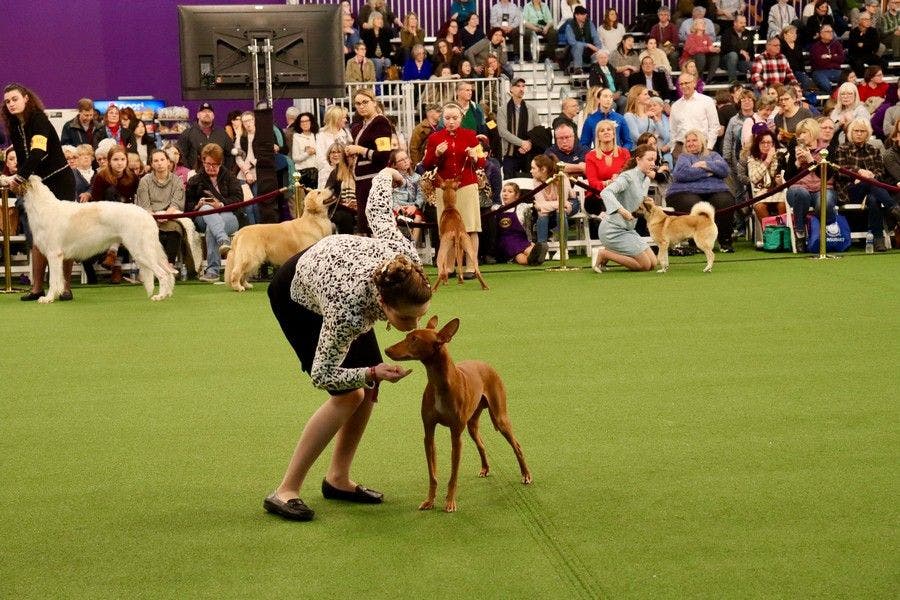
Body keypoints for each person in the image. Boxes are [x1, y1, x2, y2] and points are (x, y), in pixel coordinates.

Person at [263, 168, 429, 522]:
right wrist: (370, 370)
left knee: (368, 389)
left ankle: (337, 479)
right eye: (405, 321)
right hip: (297, 295)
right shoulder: (348, 310)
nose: (411, 327)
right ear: (383, 306)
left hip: (341, 273)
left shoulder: (406, 263)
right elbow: (324, 375)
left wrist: (387, 175)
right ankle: (285, 490)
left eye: (419, 316)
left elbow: (377, 212)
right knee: (349, 394)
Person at [2, 83, 77, 301]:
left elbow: (38, 152)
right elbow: (25, 159)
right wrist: (22, 181)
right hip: (35, 185)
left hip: (59, 181)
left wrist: (19, 177)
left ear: (26, 98)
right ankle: (37, 288)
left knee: (63, 235)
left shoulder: (39, 119)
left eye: (14, 99)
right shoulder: (15, 126)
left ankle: (64, 288)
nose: (11, 104)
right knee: (38, 236)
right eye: (7, 101)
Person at [422, 102, 486, 279]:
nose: (451, 121)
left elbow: (482, 163)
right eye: (447, 118)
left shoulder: (471, 136)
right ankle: (448, 267)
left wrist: (475, 156)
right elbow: (426, 164)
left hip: (466, 185)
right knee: (447, 230)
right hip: (443, 188)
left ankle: (472, 266)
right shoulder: (434, 138)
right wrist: (436, 154)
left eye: (455, 118)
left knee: (471, 227)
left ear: (461, 118)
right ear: (443, 119)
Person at [593, 144, 660, 272]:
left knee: (653, 263)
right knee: (645, 265)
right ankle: (604, 254)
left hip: (628, 229)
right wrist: (621, 210)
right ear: (638, 160)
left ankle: (608, 252)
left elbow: (637, 201)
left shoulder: (646, 180)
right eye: (650, 159)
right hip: (612, 230)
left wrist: (647, 202)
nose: (653, 163)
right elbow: (606, 192)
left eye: (654, 160)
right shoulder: (627, 177)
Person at [666, 130, 736, 252]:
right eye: (688, 141)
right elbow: (682, 174)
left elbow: (724, 169)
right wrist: (709, 171)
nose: (690, 143)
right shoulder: (684, 157)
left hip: (715, 189)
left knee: (725, 201)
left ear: (702, 142)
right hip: (685, 191)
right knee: (692, 203)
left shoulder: (713, 155)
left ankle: (725, 241)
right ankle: (694, 242)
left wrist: (704, 164)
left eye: (694, 140)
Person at [835, 118, 898, 251]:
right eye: (856, 131)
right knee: (868, 183)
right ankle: (894, 209)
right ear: (850, 133)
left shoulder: (873, 150)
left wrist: (871, 175)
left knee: (873, 198)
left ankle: (878, 240)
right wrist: (858, 173)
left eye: (862, 131)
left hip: (872, 190)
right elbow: (839, 172)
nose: (859, 133)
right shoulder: (842, 148)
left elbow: (881, 173)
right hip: (850, 191)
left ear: (867, 133)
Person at [185, 143, 243, 282]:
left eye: (215, 164)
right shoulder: (195, 180)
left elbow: (238, 199)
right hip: (202, 218)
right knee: (206, 209)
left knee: (213, 228)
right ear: (203, 161)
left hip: (229, 216)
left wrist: (220, 204)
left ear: (221, 162)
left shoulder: (230, 177)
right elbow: (187, 206)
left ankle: (213, 272)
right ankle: (223, 239)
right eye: (208, 164)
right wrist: (197, 205)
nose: (211, 167)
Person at [89, 145, 140, 283]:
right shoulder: (101, 177)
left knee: (123, 223)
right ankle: (115, 263)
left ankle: (113, 254)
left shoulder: (133, 178)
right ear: (109, 161)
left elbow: (137, 199)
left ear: (127, 161)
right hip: (104, 216)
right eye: (116, 159)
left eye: (123, 159)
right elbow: (95, 202)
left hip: (128, 217)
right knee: (112, 193)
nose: (119, 162)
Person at [347, 88, 393, 235]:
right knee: (363, 222)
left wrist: (359, 150)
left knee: (373, 222)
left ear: (374, 103)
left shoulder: (380, 123)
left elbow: (383, 156)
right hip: (362, 181)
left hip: (373, 180)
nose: (361, 106)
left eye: (365, 102)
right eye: (357, 103)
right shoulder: (361, 124)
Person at [784, 118, 835, 243]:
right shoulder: (794, 149)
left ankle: (821, 232)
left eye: (804, 133)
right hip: (799, 188)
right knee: (801, 194)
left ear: (813, 132)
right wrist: (796, 163)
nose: (800, 136)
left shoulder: (827, 150)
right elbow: (788, 178)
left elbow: (827, 176)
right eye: (799, 133)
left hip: (822, 187)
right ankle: (800, 233)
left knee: (825, 202)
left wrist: (811, 160)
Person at [135, 148, 185, 266]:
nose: (160, 163)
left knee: (175, 230)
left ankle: (169, 264)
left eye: (162, 160)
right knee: (154, 231)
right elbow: (145, 206)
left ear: (168, 162)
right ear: (152, 164)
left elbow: (176, 203)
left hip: (171, 216)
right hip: (150, 217)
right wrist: (156, 216)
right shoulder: (144, 181)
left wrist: (166, 215)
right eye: (156, 161)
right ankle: (155, 266)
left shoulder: (177, 181)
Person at [585, 120, 631, 238]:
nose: (606, 132)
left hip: (619, 193)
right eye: (602, 130)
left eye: (609, 129)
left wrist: (618, 180)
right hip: (596, 196)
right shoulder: (591, 156)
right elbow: (592, 182)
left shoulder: (624, 153)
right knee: (598, 203)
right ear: (598, 136)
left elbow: (629, 176)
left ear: (614, 134)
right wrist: (607, 183)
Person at [530, 153, 579, 249]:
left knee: (560, 211)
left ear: (543, 169)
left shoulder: (561, 177)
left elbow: (563, 202)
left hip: (571, 202)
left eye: (533, 168)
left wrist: (542, 206)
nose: (531, 171)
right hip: (560, 205)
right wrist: (542, 206)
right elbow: (543, 204)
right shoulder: (536, 180)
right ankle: (542, 248)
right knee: (542, 213)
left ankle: (563, 249)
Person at [745, 130, 788, 234]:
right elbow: (754, 178)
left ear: (773, 144)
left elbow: (789, 174)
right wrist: (768, 160)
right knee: (759, 206)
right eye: (762, 142)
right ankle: (771, 235)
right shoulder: (752, 159)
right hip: (761, 192)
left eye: (769, 142)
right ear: (758, 144)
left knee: (783, 204)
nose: (766, 145)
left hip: (779, 191)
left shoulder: (782, 155)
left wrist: (781, 182)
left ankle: (783, 234)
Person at [670, 73, 720, 160]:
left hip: (703, 147)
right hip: (681, 148)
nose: (684, 86)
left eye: (687, 83)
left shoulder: (707, 101)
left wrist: (709, 147)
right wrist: (672, 149)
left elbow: (714, 126)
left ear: (694, 83)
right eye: (681, 84)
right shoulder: (675, 106)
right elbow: (672, 130)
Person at [495, 181, 546, 265]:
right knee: (518, 255)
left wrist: (530, 241)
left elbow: (528, 226)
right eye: (504, 191)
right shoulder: (496, 209)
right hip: (506, 241)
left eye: (510, 192)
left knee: (530, 249)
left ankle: (537, 256)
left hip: (521, 238)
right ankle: (530, 261)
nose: (505, 194)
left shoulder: (523, 207)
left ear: (517, 196)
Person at [497, 78, 539, 178]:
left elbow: (538, 131)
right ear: (511, 89)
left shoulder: (531, 109)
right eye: (518, 86)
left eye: (523, 86)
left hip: (528, 153)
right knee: (509, 183)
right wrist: (522, 143)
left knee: (530, 186)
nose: (521, 89)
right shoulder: (503, 110)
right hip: (510, 153)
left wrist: (528, 143)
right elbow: (503, 132)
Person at [176, 102, 234, 172]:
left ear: (213, 116)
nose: (207, 114)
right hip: (196, 177)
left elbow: (230, 154)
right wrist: (189, 172)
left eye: (209, 112)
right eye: (203, 112)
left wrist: (225, 171)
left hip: (219, 177)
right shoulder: (187, 133)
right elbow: (180, 156)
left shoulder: (222, 133)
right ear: (198, 115)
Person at [388, 149, 424, 245]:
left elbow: (421, 195)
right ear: (395, 165)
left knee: (418, 217)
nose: (405, 161)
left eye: (406, 158)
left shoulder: (417, 177)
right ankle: (397, 245)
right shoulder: (392, 178)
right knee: (392, 217)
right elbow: (391, 196)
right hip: (398, 207)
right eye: (401, 160)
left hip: (412, 207)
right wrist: (398, 208)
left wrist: (415, 206)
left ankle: (412, 246)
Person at [324, 143, 359, 235]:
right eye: (349, 156)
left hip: (358, 207)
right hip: (339, 208)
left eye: (354, 156)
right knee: (346, 216)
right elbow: (328, 194)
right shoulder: (335, 172)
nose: (352, 159)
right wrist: (343, 202)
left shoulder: (358, 172)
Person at [561, 6, 602, 75]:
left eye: (585, 14)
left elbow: (595, 37)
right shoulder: (569, 25)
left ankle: (597, 70)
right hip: (573, 52)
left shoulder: (589, 23)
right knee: (578, 45)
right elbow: (572, 42)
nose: (585, 16)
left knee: (599, 50)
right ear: (576, 15)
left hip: (588, 51)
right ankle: (578, 69)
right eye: (582, 14)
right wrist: (588, 45)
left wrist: (598, 49)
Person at [809, 25, 845, 93]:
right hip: (820, 71)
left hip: (836, 70)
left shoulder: (837, 44)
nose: (831, 33)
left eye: (832, 31)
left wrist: (829, 57)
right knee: (826, 85)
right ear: (821, 34)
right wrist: (835, 57)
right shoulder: (815, 46)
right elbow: (819, 63)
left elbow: (842, 59)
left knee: (847, 81)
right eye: (828, 31)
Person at [848, 12, 885, 77]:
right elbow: (853, 48)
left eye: (869, 19)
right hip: (856, 56)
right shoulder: (854, 32)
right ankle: (864, 80)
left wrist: (863, 44)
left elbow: (875, 47)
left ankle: (876, 77)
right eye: (865, 19)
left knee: (884, 63)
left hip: (869, 54)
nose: (868, 21)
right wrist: (867, 43)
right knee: (858, 64)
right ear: (860, 20)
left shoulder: (873, 31)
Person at [360, 11, 394, 81]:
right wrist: (377, 58)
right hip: (371, 57)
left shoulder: (385, 32)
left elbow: (388, 48)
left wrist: (383, 56)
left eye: (381, 19)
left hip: (383, 56)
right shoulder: (367, 32)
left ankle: (385, 83)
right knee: (378, 62)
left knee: (388, 61)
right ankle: (377, 82)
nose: (380, 21)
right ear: (372, 20)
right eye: (378, 19)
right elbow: (367, 49)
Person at [291, 112, 319, 191]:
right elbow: (295, 158)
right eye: (302, 122)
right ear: (299, 124)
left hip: (317, 171)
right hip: (303, 172)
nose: (305, 123)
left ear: (311, 122)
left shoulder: (317, 135)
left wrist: (315, 151)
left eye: (307, 121)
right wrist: (307, 153)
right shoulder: (296, 137)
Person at [722, 16, 754, 83]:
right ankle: (733, 81)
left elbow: (751, 50)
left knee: (753, 65)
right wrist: (740, 51)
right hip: (727, 61)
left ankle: (752, 86)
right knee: (733, 55)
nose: (744, 25)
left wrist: (749, 57)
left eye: (745, 23)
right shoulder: (727, 32)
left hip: (741, 62)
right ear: (735, 23)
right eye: (741, 23)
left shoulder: (748, 33)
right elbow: (725, 48)